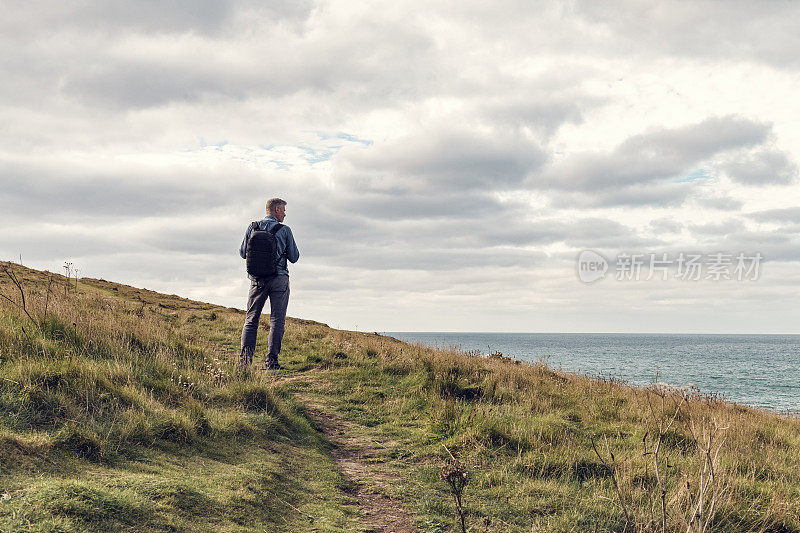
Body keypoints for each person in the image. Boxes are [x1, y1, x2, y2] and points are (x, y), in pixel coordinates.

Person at [239, 198, 300, 370]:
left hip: (257, 280)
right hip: (279, 279)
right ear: (276, 210)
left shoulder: (252, 227)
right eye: (283, 211)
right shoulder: (285, 230)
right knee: (277, 320)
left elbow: (243, 253)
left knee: (251, 320)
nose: (285, 214)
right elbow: (294, 257)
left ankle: (245, 363)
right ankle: (271, 362)